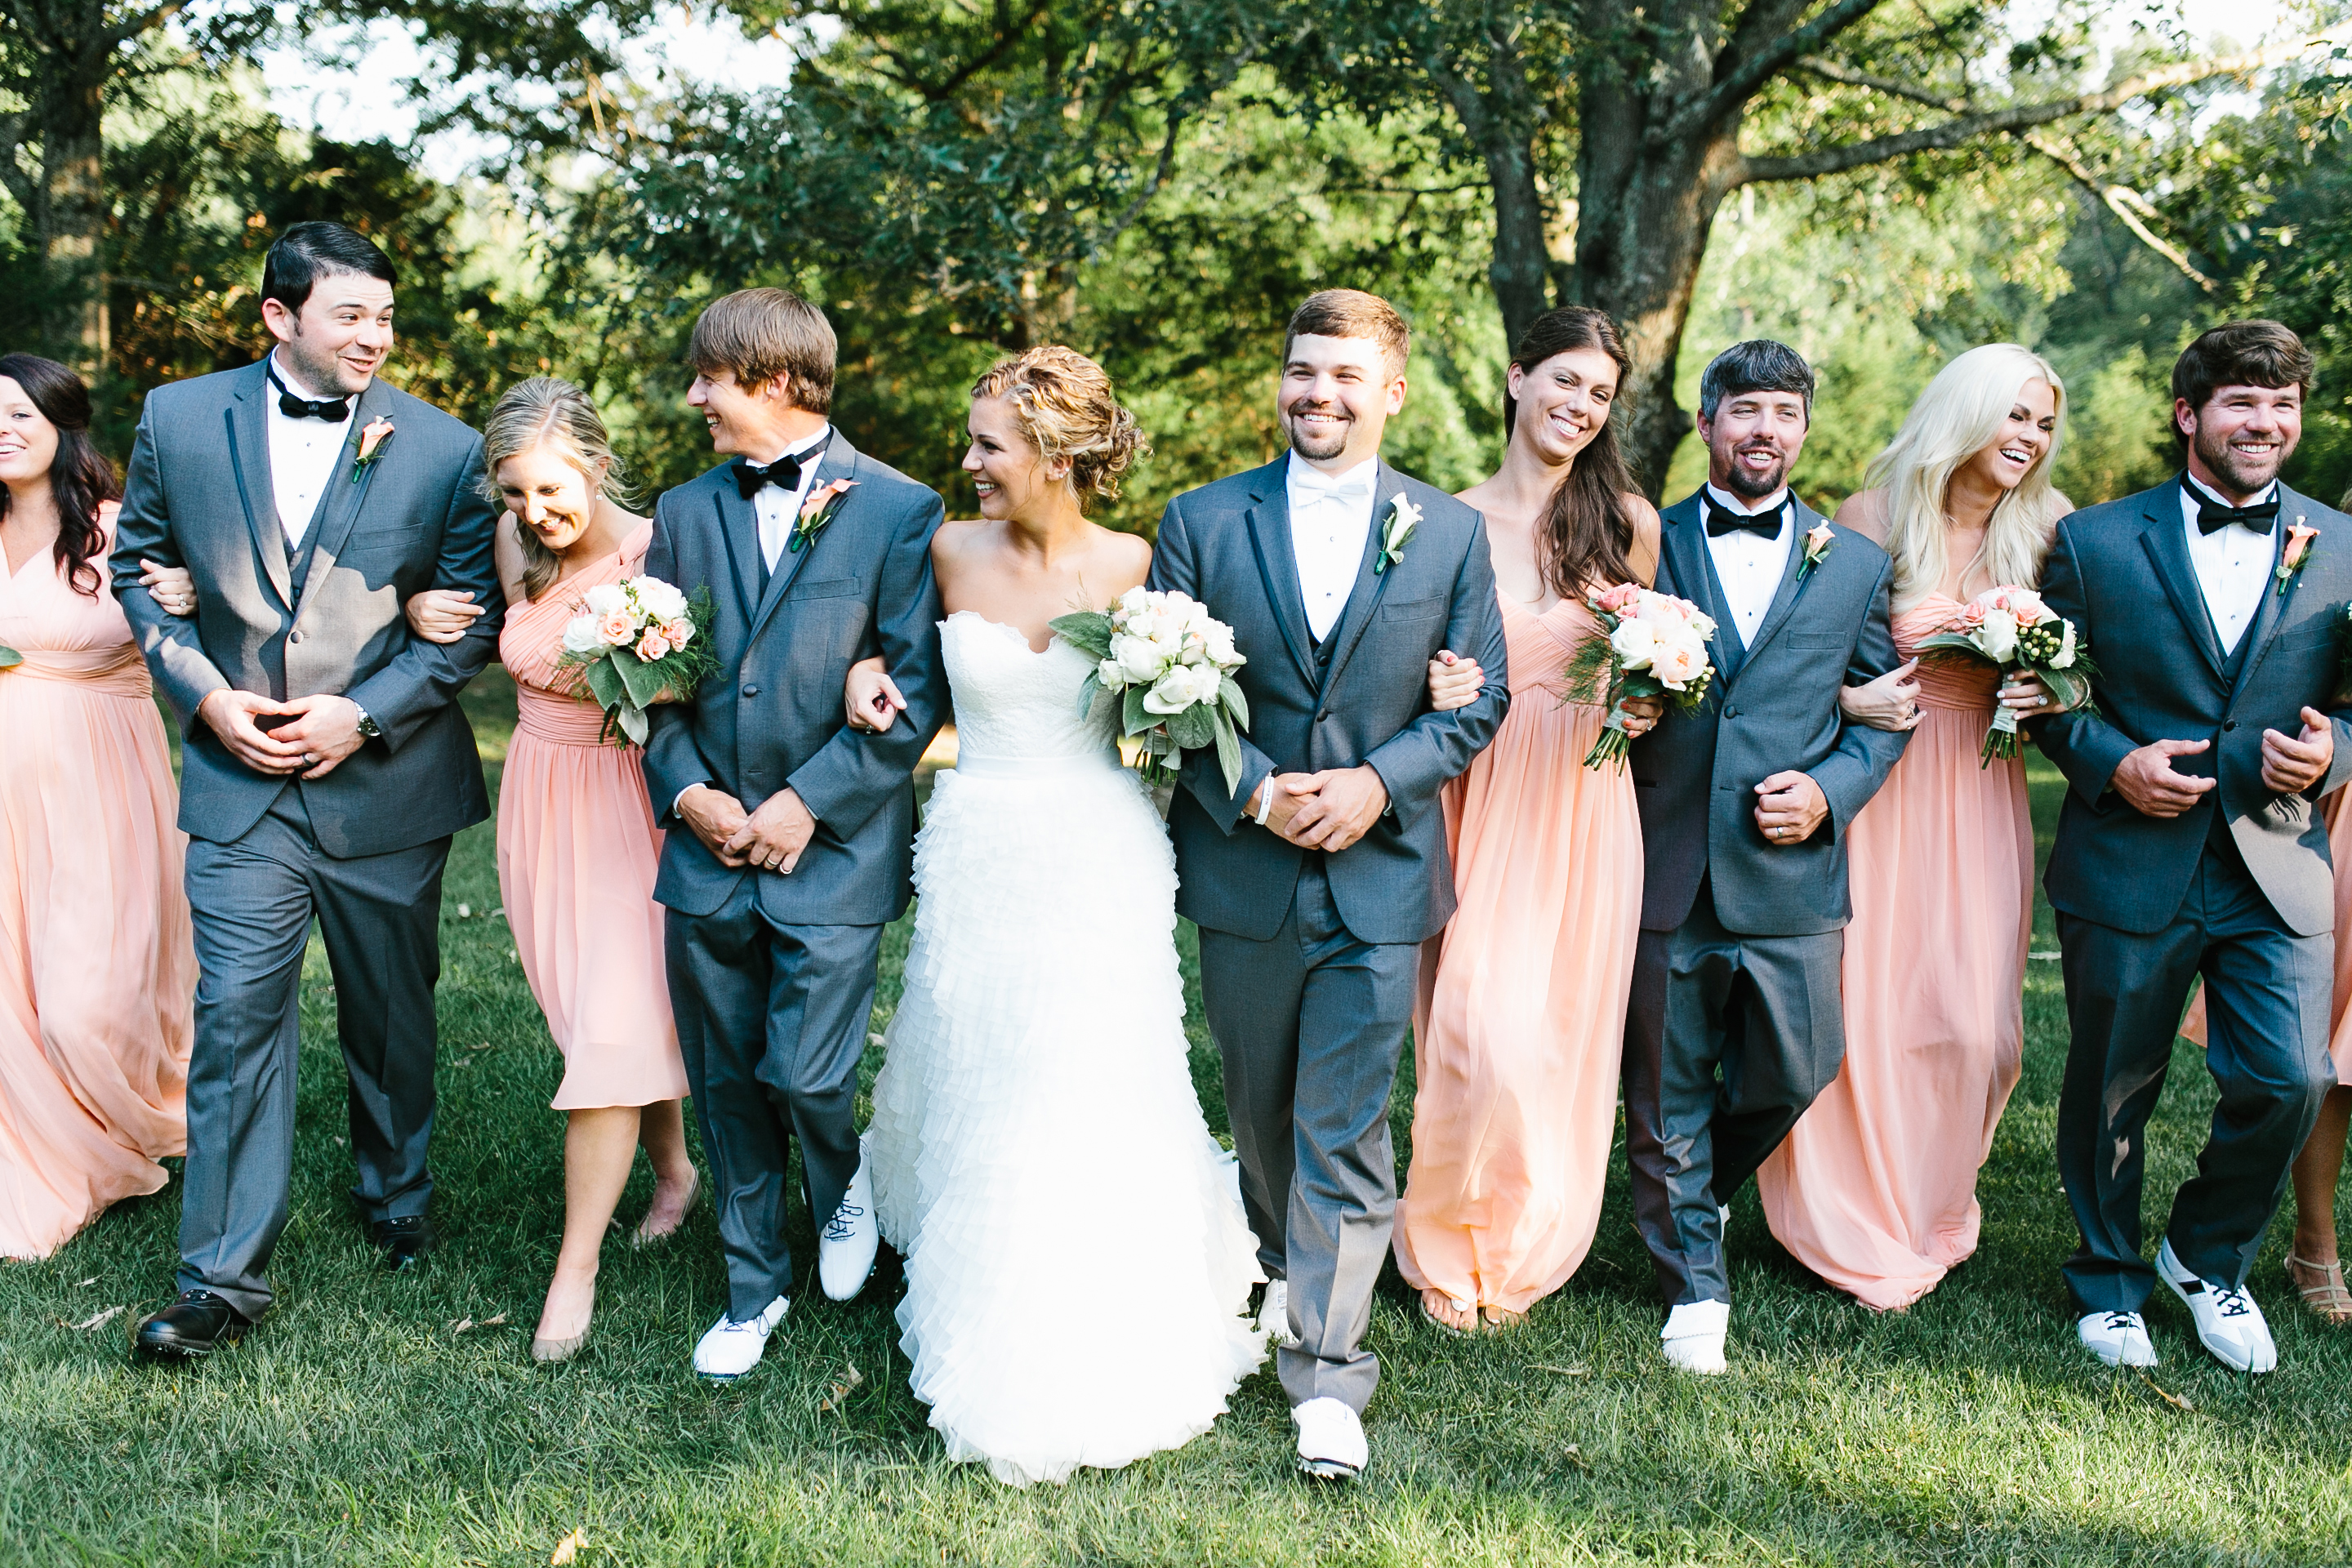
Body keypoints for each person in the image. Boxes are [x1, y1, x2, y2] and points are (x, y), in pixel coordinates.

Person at [845, 345, 1484, 1485]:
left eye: (988, 442)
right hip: (984, 847)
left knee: (1101, 1077)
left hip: (1100, 853)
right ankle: (991, 1273)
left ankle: (1318, 1364)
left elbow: (1163, 721)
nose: (970, 460)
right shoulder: (947, 549)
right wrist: (868, 679)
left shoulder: (1140, 561)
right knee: (995, 1070)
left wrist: (1422, 719)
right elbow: (904, 675)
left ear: (1052, 453)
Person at [110, 221, 503, 1357]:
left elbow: (465, 625)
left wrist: (362, 711)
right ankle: (220, 1280)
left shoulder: (442, 447)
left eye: (384, 316)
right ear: (280, 318)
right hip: (238, 782)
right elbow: (146, 582)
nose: (375, 335)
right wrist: (204, 697)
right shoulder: (178, 419)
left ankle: (397, 1193)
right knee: (236, 1016)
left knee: (392, 1008)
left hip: (384, 781)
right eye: (350, 315)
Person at [1143, 289, 1511, 1481]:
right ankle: (1275, 1265)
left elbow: (1480, 700)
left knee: (1345, 1127)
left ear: (1391, 393)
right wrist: (1253, 790)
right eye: (1305, 371)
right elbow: (1164, 688)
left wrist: (1376, 782)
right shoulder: (1201, 520)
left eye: (1348, 377)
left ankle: (1330, 1374)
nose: (1321, 395)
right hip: (1247, 862)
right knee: (1260, 1111)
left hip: (1381, 872)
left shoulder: (1448, 534)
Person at [307, 379, 700, 1362]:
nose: (534, 514)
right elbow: (470, 645)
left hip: (629, 808)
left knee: (611, 1027)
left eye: (553, 491)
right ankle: (677, 1172)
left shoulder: (662, 551)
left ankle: (576, 1271)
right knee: (600, 1019)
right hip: (538, 804)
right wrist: (415, 606)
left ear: (600, 467)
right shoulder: (515, 549)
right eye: (515, 493)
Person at [637, 288, 948, 1381]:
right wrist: (690, 796)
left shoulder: (902, 509)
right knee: (725, 1080)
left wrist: (807, 800)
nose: (694, 399)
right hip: (707, 845)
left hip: (832, 849)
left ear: (772, 381)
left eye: (708, 380)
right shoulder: (683, 511)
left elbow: (913, 685)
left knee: (808, 1072)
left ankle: (842, 1176)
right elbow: (652, 679)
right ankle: (751, 1285)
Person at [2033, 320, 2351, 1374]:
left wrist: (2335, 751)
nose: (2266, 423)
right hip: (2133, 851)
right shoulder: (2093, 544)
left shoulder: (2341, 541)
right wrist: (2113, 763)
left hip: (2277, 858)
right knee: (2115, 1080)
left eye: (2283, 405)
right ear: (2189, 415)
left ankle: (2207, 1257)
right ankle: (2109, 1280)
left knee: (2291, 1078)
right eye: (2242, 403)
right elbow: (2047, 701)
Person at [1755, 345, 2072, 1311]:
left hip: (1984, 784)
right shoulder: (1875, 515)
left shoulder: (2053, 528)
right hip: (1888, 780)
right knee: (1873, 1006)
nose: (2028, 438)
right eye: (2015, 416)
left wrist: (2046, 683)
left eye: (2044, 425)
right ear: (1967, 413)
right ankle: (1846, 1214)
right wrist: (1856, 703)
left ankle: (1934, 1200)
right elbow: (1810, 662)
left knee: (1976, 1023)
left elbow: (2082, 671)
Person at [1619, 340, 1909, 1375]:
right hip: (1665, 854)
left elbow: (1886, 715)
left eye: (1784, 414)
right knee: (1665, 1083)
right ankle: (1694, 1281)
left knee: (1800, 1065)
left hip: (1789, 868)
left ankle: (1683, 1192)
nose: (1764, 432)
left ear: (1802, 430)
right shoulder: (1644, 541)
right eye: (1744, 411)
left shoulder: (1857, 562)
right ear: (1706, 426)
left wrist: (1829, 791)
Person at [1395, 305, 1663, 1334]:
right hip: (1475, 787)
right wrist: (1437, 684)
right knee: (1470, 1030)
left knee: (1555, 1038)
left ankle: (1520, 1241)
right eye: (1564, 382)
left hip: (1584, 801)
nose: (1580, 407)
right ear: (1515, 381)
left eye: (1599, 394)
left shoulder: (1628, 523)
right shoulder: (1442, 518)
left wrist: (1649, 701)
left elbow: (1652, 657)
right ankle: (1442, 1236)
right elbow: (1406, 667)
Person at [0, 354, 194, 1259]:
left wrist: (184, 599)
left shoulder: (121, 534)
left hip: (100, 788)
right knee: (14, 987)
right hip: (7, 801)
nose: (2, 430)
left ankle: (130, 1124)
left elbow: (197, 636)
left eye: (17, 414)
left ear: (60, 424)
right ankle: (39, 1141)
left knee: (83, 1000)